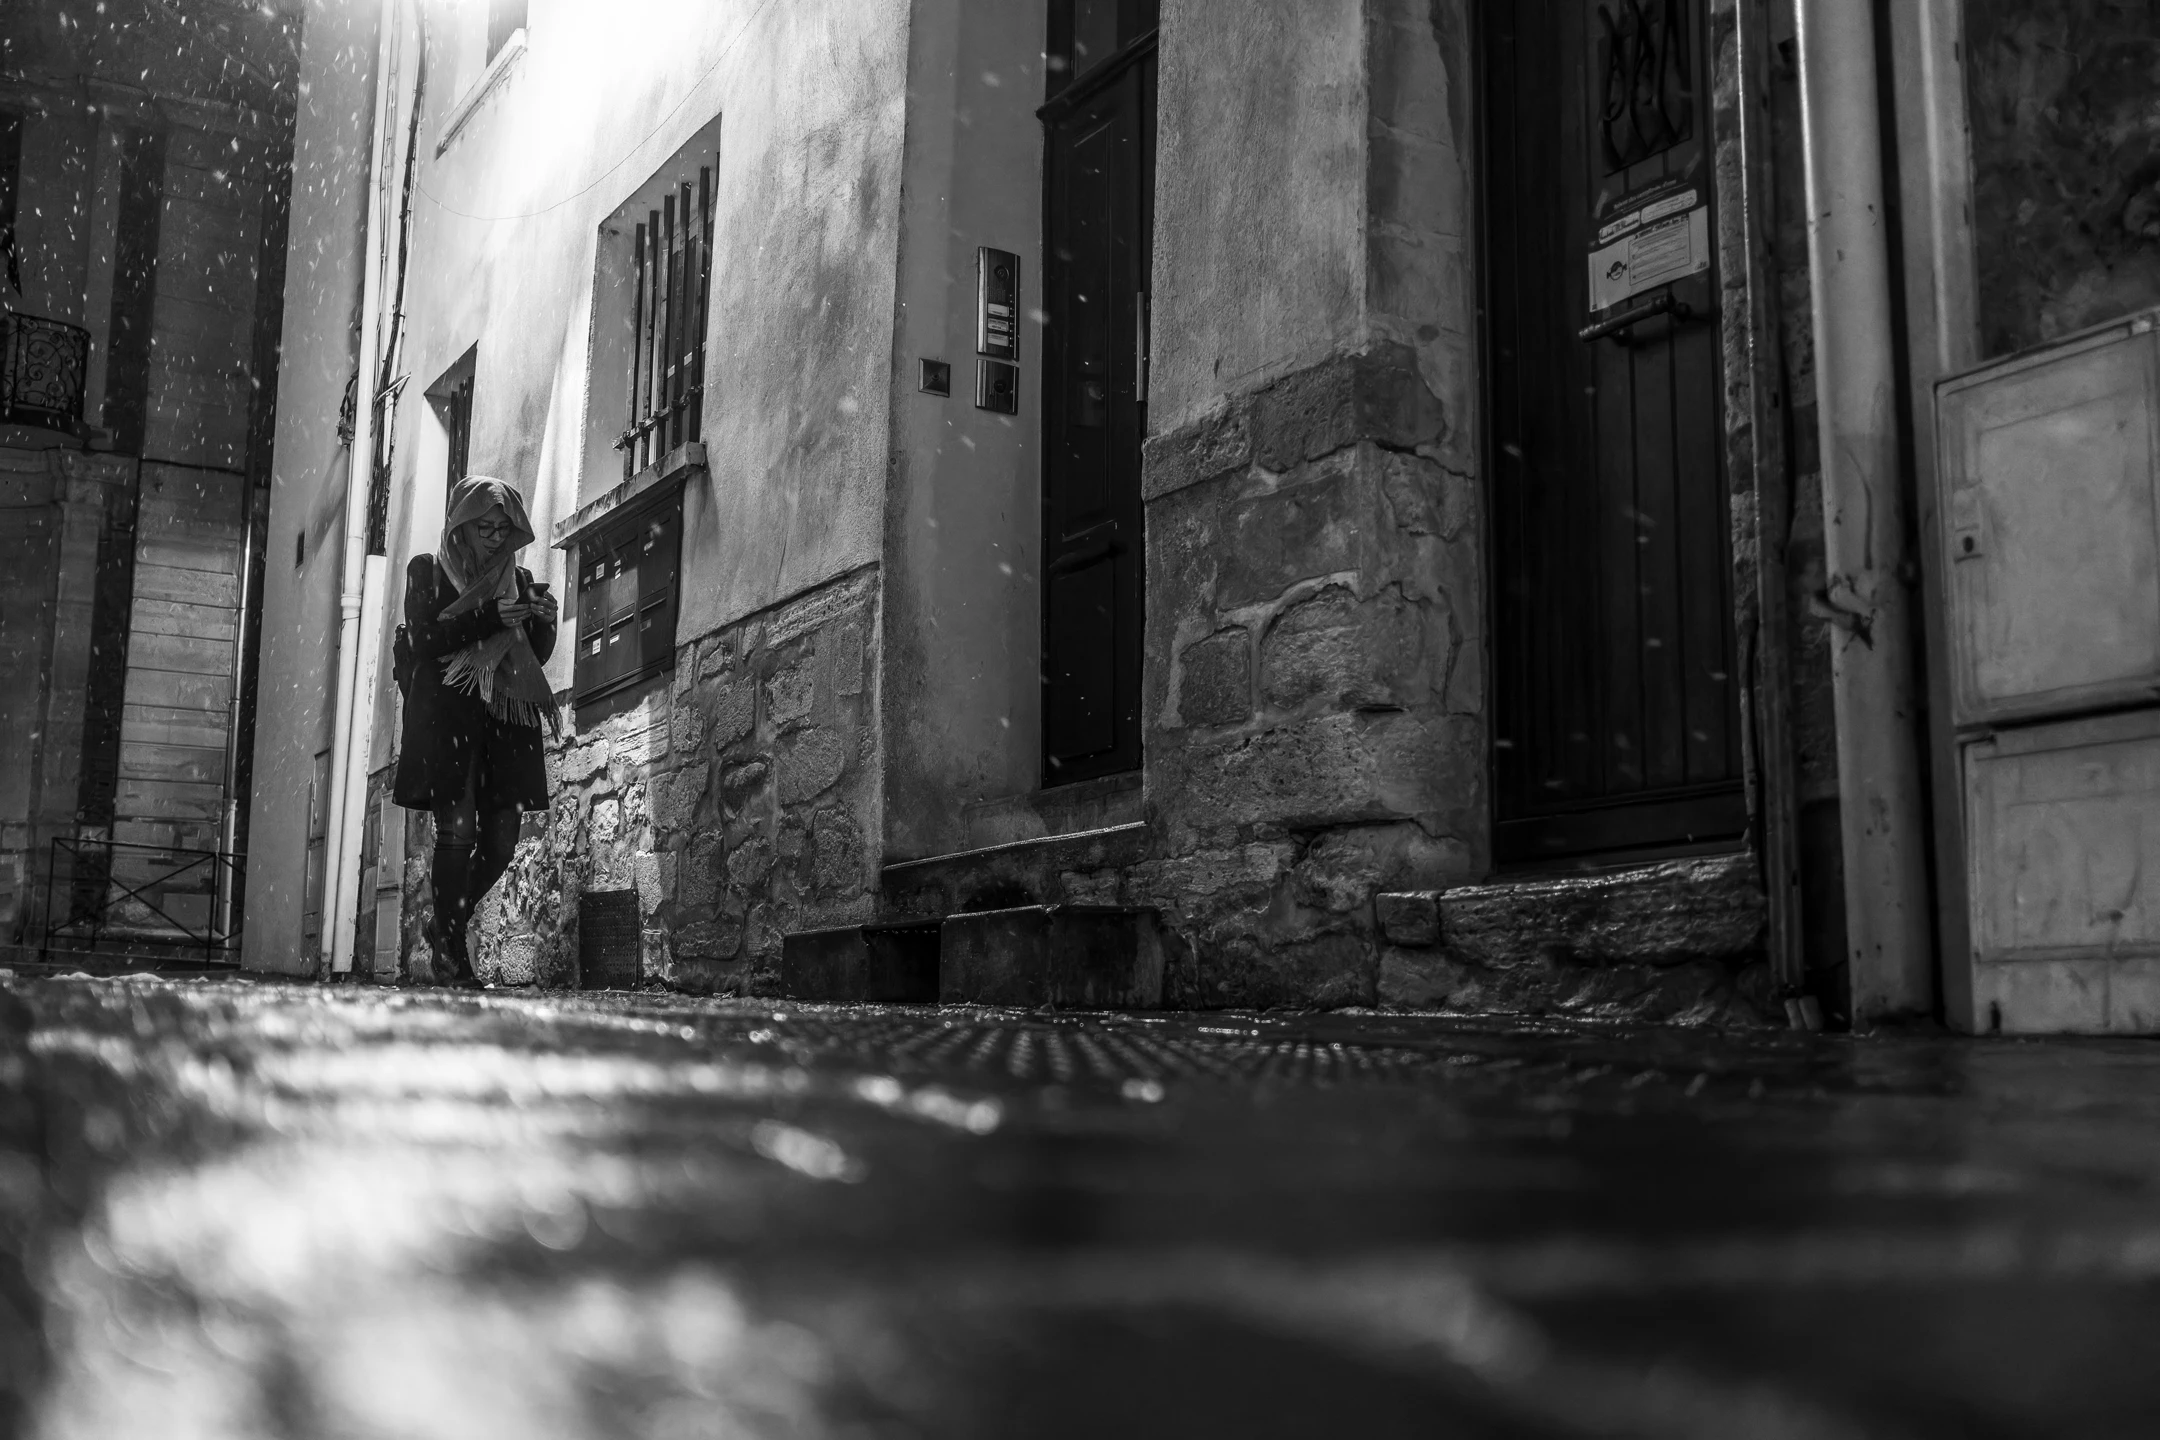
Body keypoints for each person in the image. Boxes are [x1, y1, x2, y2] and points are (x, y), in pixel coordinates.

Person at [392, 476, 559, 987]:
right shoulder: (429, 571)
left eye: (502, 527)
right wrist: (488, 616)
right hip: (448, 722)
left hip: (504, 725)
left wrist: (542, 621)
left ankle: (446, 927)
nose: (492, 535)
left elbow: (533, 656)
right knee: (458, 833)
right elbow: (424, 641)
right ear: (460, 525)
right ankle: (454, 958)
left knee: (504, 841)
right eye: (483, 525)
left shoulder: (519, 576)